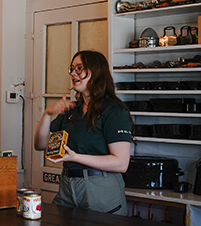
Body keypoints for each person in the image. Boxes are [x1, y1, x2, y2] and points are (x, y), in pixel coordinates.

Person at [34, 50, 133, 215]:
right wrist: (47, 114)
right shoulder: (73, 108)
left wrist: (75, 157)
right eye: (72, 69)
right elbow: (40, 144)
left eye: (79, 68)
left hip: (100, 185)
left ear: (97, 72)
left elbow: (121, 163)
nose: (73, 73)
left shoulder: (114, 110)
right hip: (67, 183)